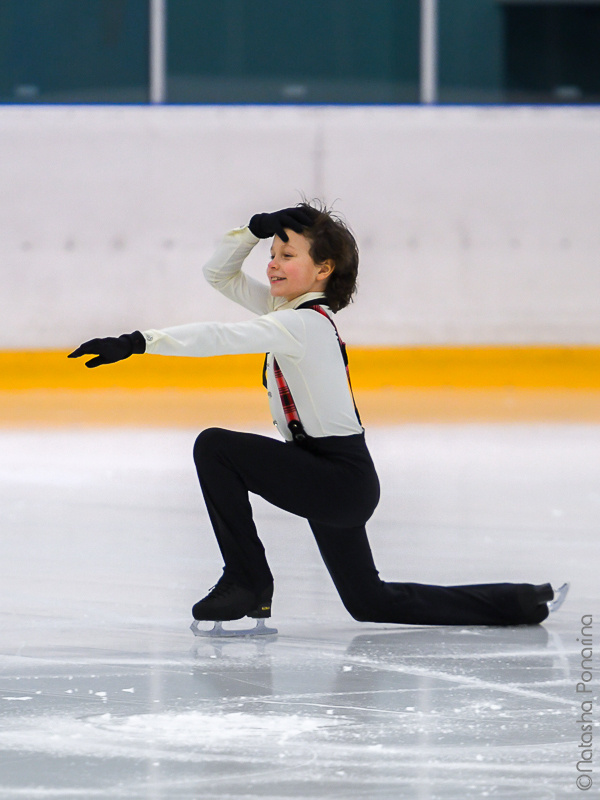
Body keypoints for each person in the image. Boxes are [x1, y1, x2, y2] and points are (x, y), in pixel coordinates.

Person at [69, 203, 568, 630]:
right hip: (332, 475)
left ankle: (247, 580)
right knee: (370, 602)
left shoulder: (301, 324)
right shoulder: (287, 313)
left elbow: (220, 336)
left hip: (335, 476)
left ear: (324, 268)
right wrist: (254, 230)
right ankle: (519, 601)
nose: (273, 265)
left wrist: (140, 342)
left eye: (288, 256)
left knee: (215, 447)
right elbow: (217, 275)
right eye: (272, 255)